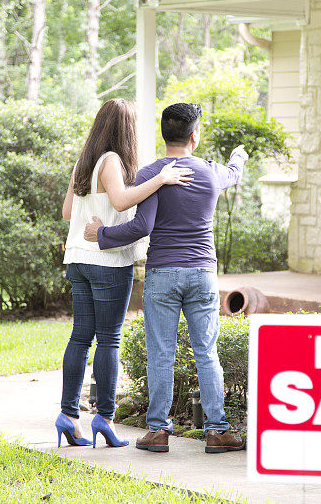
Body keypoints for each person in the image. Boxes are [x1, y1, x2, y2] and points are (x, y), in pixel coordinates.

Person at [84, 102, 248, 453]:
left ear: (165, 135)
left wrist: (101, 234)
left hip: (162, 275)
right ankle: (217, 431)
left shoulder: (151, 173)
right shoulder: (209, 172)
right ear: (194, 136)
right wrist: (239, 156)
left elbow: (141, 226)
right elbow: (233, 173)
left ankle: (158, 431)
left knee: (161, 353)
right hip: (203, 272)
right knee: (207, 352)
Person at [56, 98, 193, 449]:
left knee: (80, 337)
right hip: (108, 260)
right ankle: (105, 418)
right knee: (109, 339)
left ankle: (68, 416)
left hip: (78, 259)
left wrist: (94, 213)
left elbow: (68, 210)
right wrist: (161, 179)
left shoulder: (84, 161)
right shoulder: (113, 160)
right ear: (126, 129)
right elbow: (119, 201)